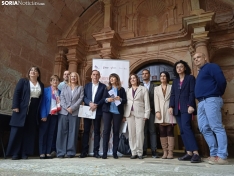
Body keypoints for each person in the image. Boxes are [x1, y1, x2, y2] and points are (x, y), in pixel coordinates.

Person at [193, 52, 228, 165]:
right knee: (203, 128)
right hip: (201, 102)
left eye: (198, 57)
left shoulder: (212, 67)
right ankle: (214, 154)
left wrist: (216, 93)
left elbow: (222, 81)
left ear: (205, 58)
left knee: (216, 127)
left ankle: (222, 156)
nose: (196, 60)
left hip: (211, 99)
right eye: (194, 58)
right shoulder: (200, 72)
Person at [7, 66, 44, 160]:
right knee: (18, 131)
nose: (33, 72)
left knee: (29, 132)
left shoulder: (41, 85)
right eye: (31, 70)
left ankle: (25, 153)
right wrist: (15, 106)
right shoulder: (23, 81)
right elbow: (17, 93)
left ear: (38, 74)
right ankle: (15, 153)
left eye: (35, 71)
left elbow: (41, 99)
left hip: (33, 110)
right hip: (21, 109)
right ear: (29, 73)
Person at [169, 60, 201, 163]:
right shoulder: (175, 81)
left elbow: (192, 92)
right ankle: (189, 152)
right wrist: (171, 106)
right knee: (182, 130)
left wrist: (191, 105)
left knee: (186, 128)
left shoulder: (190, 78)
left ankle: (196, 153)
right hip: (177, 109)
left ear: (185, 68)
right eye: (177, 67)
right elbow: (173, 95)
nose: (179, 68)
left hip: (186, 108)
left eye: (181, 66)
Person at [79, 70, 106, 158]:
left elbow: (104, 98)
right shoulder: (86, 86)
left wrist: (96, 105)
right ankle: (84, 151)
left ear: (99, 76)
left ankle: (96, 152)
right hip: (88, 110)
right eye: (94, 74)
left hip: (97, 111)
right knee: (86, 131)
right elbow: (84, 97)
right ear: (91, 76)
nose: (95, 76)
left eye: (97, 75)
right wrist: (90, 103)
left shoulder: (103, 86)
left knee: (97, 132)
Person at [56, 72, 84, 158]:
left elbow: (80, 99)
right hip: (64, 112)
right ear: (69, 78)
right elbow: (62, 97)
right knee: (61, 131)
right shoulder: (65, 86)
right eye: (71, 76)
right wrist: (67, 107)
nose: (73, 78)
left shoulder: (80, 88)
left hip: (74, 113)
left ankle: (70, 152)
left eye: (75, 76)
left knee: (73, 132)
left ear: (77, 78)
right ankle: (60, 152)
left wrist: (72, 108)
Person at [124, 74, 150, 159]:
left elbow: (147, 102)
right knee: (131, 134)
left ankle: (140, 152)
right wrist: (124, 115)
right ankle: (133, 152)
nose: (132, 79)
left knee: (139, 133)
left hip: (140, 113)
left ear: (137, 79)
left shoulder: (143, 89)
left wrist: (147, 114)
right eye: (131, 78)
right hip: (129, 113)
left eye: (134, 78)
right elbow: (125, 103)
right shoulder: (127, 90)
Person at [102, 73, 127, 159]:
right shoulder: (106, 88)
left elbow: (125, 101)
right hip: (107, 112)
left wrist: (120, 99)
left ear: (117, 79)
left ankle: (115, 153)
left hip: (117, 113)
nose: (111, 79)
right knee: (106, 131)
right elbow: (102, 99)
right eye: (110, 78)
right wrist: (107, 99)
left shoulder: (121, 89)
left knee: (116, 132)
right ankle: (104, 153)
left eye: (113, 78)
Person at [154, 71, 176, 159]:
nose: (162, 77)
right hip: (160, 112)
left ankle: (170, 152)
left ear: (167, 77)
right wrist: (157, 111)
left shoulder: (172, 87)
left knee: (170, 131)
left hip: (170, 111)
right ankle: (165, 152)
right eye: (161, 76)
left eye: (164, 76)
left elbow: (174, 98)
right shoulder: (156, 88)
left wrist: (172, 107)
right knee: (162, 132)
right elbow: (156, 100)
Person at [39, 75, 61, 159]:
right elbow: (43, 104)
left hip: (55, 115)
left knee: (51, 134)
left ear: (58, 82)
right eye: (53, 80)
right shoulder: (46, 90)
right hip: (46, 114)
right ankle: (42, 152)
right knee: (43, 133)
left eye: (57, 80)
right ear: (50, 82)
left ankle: (48, 152)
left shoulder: (59, 92)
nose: (55, 81)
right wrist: (43, 115)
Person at [51, 70, 70, 157]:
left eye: (68, 74)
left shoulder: (71, 85)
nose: (66, 75)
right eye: (65, 74)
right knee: (55, 131)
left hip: (64, 111)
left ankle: (63, 150)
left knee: (63, 131)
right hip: (56, 111)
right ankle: (53, 149)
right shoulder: (60, 86)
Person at [141, 69, 157, 158]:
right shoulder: (139, 86)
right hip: (141, 113)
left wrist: (152, 108)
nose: (144, 75)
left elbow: (157, 99)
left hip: (151, 112)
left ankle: (154, 150)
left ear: (149, 75)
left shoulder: (155, 86)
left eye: (146, 73)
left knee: (152, 131)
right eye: (143, 74)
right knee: (143, 131)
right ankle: (144, 150)